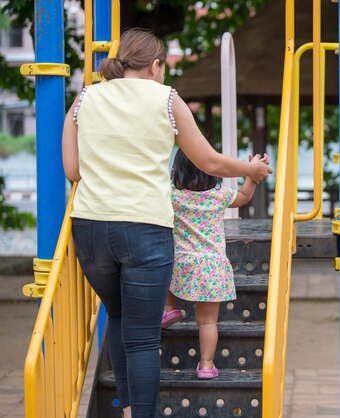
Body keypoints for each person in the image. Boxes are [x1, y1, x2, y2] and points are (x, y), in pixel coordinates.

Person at [61, 28, 271, 418]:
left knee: (119, 316)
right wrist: (250, 169)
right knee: (142, 339)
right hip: (144, 227)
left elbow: (73, 170)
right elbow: (209, 162)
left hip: (90, 226)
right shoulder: (167, 99)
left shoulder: (84, 98)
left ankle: (125, 408)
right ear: (157, 65)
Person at [161, 149, 263, 379]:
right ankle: (206, 365)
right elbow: (244, 198)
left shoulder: (173, 195)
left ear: (177, 171)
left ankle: (170, 308)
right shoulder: (220, 196)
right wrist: (252, 175)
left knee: (164, 257)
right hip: (213, 267)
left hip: (183, 263)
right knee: (207, 321)